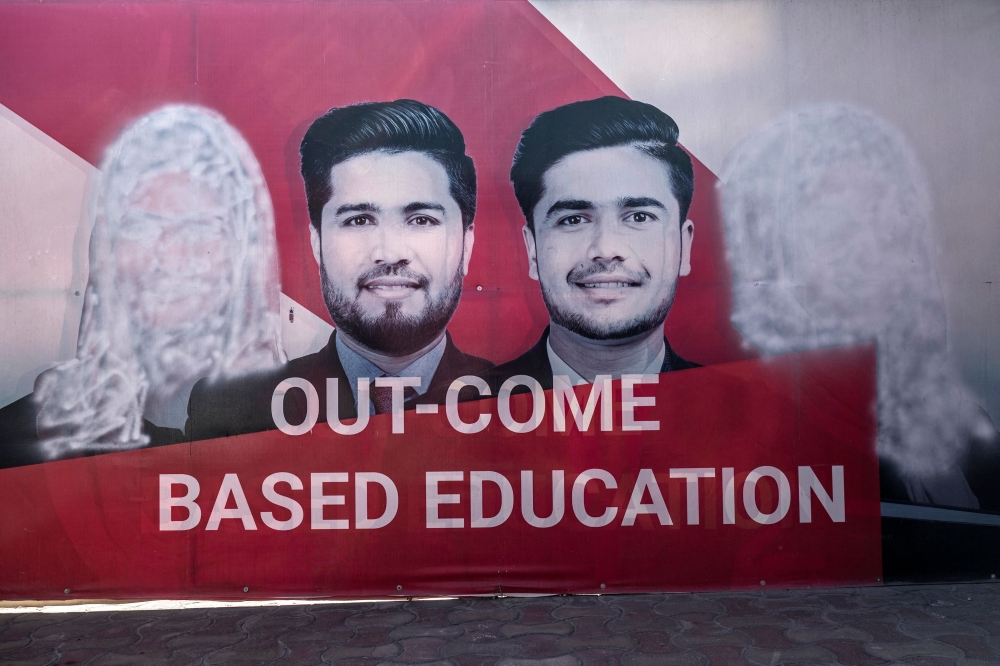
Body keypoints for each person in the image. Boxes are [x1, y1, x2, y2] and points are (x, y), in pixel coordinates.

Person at [721, 103, 1000, 510]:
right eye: (840, 230)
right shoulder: (752, 429)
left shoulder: (962, 427)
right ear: (770, 251)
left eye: (891, 226)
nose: (872, 255)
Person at [188, 100, 491, 439]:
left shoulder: (532, 399)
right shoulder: (233, 412)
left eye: (421, 220)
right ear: (317, 243)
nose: (389, 253)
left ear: (466, 244)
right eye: (358, 220)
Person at [0, 105, 284, 467]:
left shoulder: (311, 419)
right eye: (140, 226)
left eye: (198, 229)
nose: (167, 255)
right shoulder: (26, 433)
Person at [483, 96, 699, 391]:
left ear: (683, 247)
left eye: (638, 217)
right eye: (573, 220)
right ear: (532, 250)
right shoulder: (458, 415)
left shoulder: (753, 415)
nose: (606, 249)